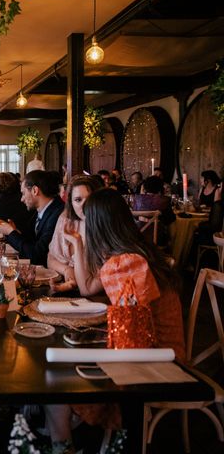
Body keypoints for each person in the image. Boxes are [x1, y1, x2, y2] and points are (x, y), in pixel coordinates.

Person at [46, 188, 185, 452]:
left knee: (56, 384)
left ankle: (62, 445)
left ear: (98, 225)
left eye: (87, 220)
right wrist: (78, 245)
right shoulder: (132, 252)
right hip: (157, 352)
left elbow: (132, 340)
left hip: (158, 364)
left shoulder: (126, 263)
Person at [0, 170, 64, 266]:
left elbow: (36, 254)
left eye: (23, 193)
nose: (21, 199)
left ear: (35, 191)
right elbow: (31, 242)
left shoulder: (59, 214)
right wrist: (15, 232)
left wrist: (11, 232)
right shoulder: (40, 211)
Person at [48, 176, 102, 292]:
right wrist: (66, 270)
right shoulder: (66, 220)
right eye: (78, 200)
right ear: (71, 203)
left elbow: (89, 287)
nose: (84, 204)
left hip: (98, 295)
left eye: (90, 198)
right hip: (70, 289)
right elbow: (51, 258)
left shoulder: (106, 227)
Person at [132, 175, 176, 246]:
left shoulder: (137, 200)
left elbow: (135, 218)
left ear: (145, 187)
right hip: (158, 241)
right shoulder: (165, 201)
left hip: (137, 239)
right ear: (160, 188)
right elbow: (172, 227)